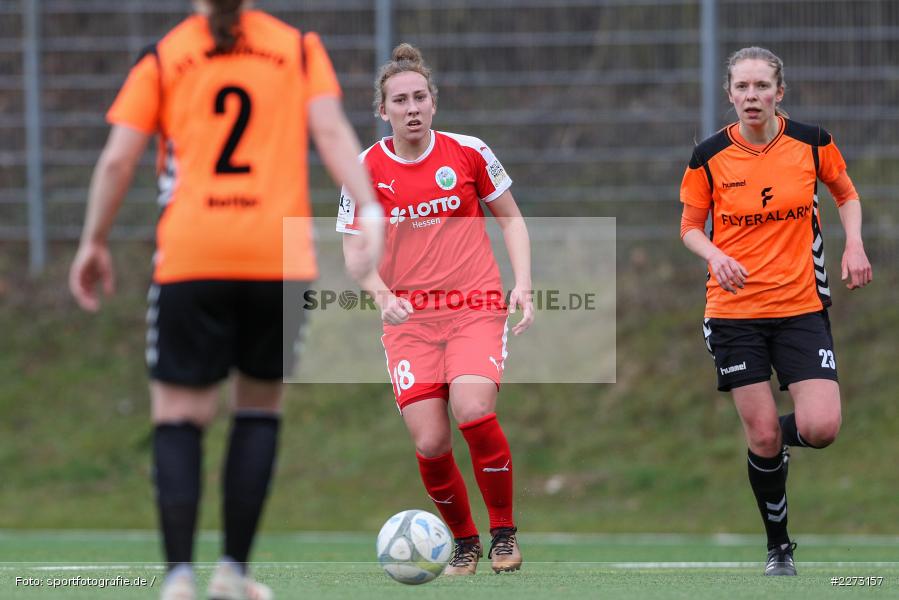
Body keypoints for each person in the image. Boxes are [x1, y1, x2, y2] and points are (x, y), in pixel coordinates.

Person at [68, 2, 381, 599]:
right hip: (277, 259)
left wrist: (94, 241)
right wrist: (367, 207)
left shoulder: (165, 56)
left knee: (180, 416)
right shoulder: (297, 47)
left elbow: (117, 160)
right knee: (258, 408)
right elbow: (334, 131)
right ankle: (233, 572)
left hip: (194, 256)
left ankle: (180, 578)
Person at [337, 43, 534, 575]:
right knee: (429, 440)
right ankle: (464, 542)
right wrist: (384, 297)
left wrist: (524, 284)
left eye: (420, 97)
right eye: (399, 100)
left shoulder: (468, 152)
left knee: (472, 409)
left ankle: (504, 533)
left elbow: (511, 220)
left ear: (433, 102)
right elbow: (355, 254)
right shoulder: (365, 168)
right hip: (409, 323)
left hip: (474, 306)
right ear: (384, 111)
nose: (412, 107)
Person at [679, 47, 873, 576]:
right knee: (763, 436)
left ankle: (767, 442)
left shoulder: (812, 142)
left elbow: (846, 192)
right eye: (742, 87)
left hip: (800, 308)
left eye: (762, 86)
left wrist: (854, 244)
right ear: (729, 94)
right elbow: (690, 227)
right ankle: (779, 547)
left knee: (823, 427)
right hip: (734, 313)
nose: (752, 96)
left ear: (779, 92)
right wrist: (716, 255)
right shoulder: (710, 156)